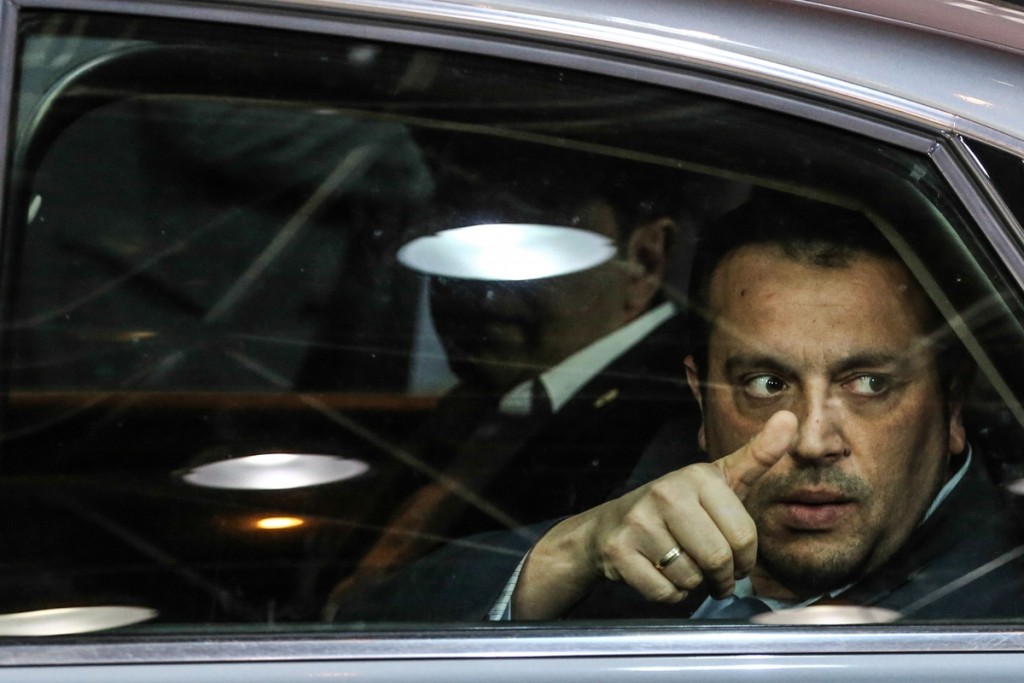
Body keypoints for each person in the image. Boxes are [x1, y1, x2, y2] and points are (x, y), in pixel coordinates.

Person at [336, 193, 1024, 622]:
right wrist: (570, 552)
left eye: (869, 384)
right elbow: (355, 630)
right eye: (766, 384)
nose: (814, 439)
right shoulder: (632, 490)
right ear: (701, 396)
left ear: (951, 404)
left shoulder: (993, 614)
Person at [325, 141, 705, 613]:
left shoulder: (676, 425)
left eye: (531, 245)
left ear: (645, 260)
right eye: (452, 239)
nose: (477, 288)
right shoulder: (486, 406)